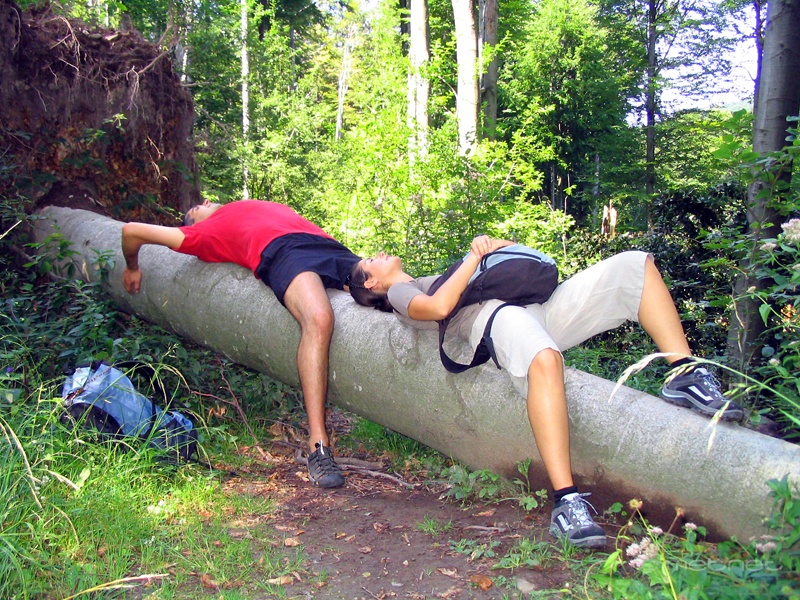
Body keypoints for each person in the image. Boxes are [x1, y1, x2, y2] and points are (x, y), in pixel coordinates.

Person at [347, 236, 743, 548]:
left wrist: (494, 248)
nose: (378, 254)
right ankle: (566, 500)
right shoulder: (399, 292)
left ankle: (685, 372)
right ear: (371, 282)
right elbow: (437, 308)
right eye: (370, 261)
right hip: (497, 315)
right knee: (545, 359)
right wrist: (474, 255)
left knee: (634, 266)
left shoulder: (426, 276)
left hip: (537, 304)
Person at [121, 199, 361, 489]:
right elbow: (131, 231)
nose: (204, 202)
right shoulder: (204, 233)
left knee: (391, 286)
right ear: (194, 223)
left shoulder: (243, 205)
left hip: (328, 245)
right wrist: (132, 267)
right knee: (319, 318)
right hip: (285, 251)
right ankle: (318, 445)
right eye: (196, 208)